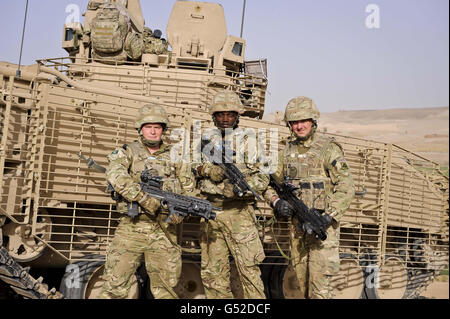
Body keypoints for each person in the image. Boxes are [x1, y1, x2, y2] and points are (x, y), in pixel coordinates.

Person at [99, 104, 194, 299]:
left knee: (166, 291)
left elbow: (189, 192)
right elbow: (115, 175)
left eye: (157, 127)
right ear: (140, 129)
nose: (153, 131)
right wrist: (142, 198)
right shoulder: (127, 152)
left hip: (164, 231)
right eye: (148, 126)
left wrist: (181, 213)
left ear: (163, 130)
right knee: (114, 287)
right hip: (131, 228)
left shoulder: (176, 156)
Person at [264, 96, 355, 299]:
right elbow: (268, 183)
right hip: (297, 232)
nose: (299, 126)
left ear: (313, 121)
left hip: (322, 229)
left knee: (320, 290)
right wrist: (276, 201)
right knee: (300, 288)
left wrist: (328, 215)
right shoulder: (285, 152)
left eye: (303, 121)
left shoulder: (328, 149)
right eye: (294, 122)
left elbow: (346, 187)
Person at [194, 90, 269, 299]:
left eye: (230, 114)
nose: (225, 118)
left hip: (240, 214)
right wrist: (209, 171)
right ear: (214, 116)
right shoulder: (206, 139)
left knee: (249, 273)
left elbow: (263, 178)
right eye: (220, 114)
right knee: (213, 275)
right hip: (212, 214)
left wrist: (240, 190)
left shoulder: (249, 140)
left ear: (237, 116)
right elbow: (191, 168)